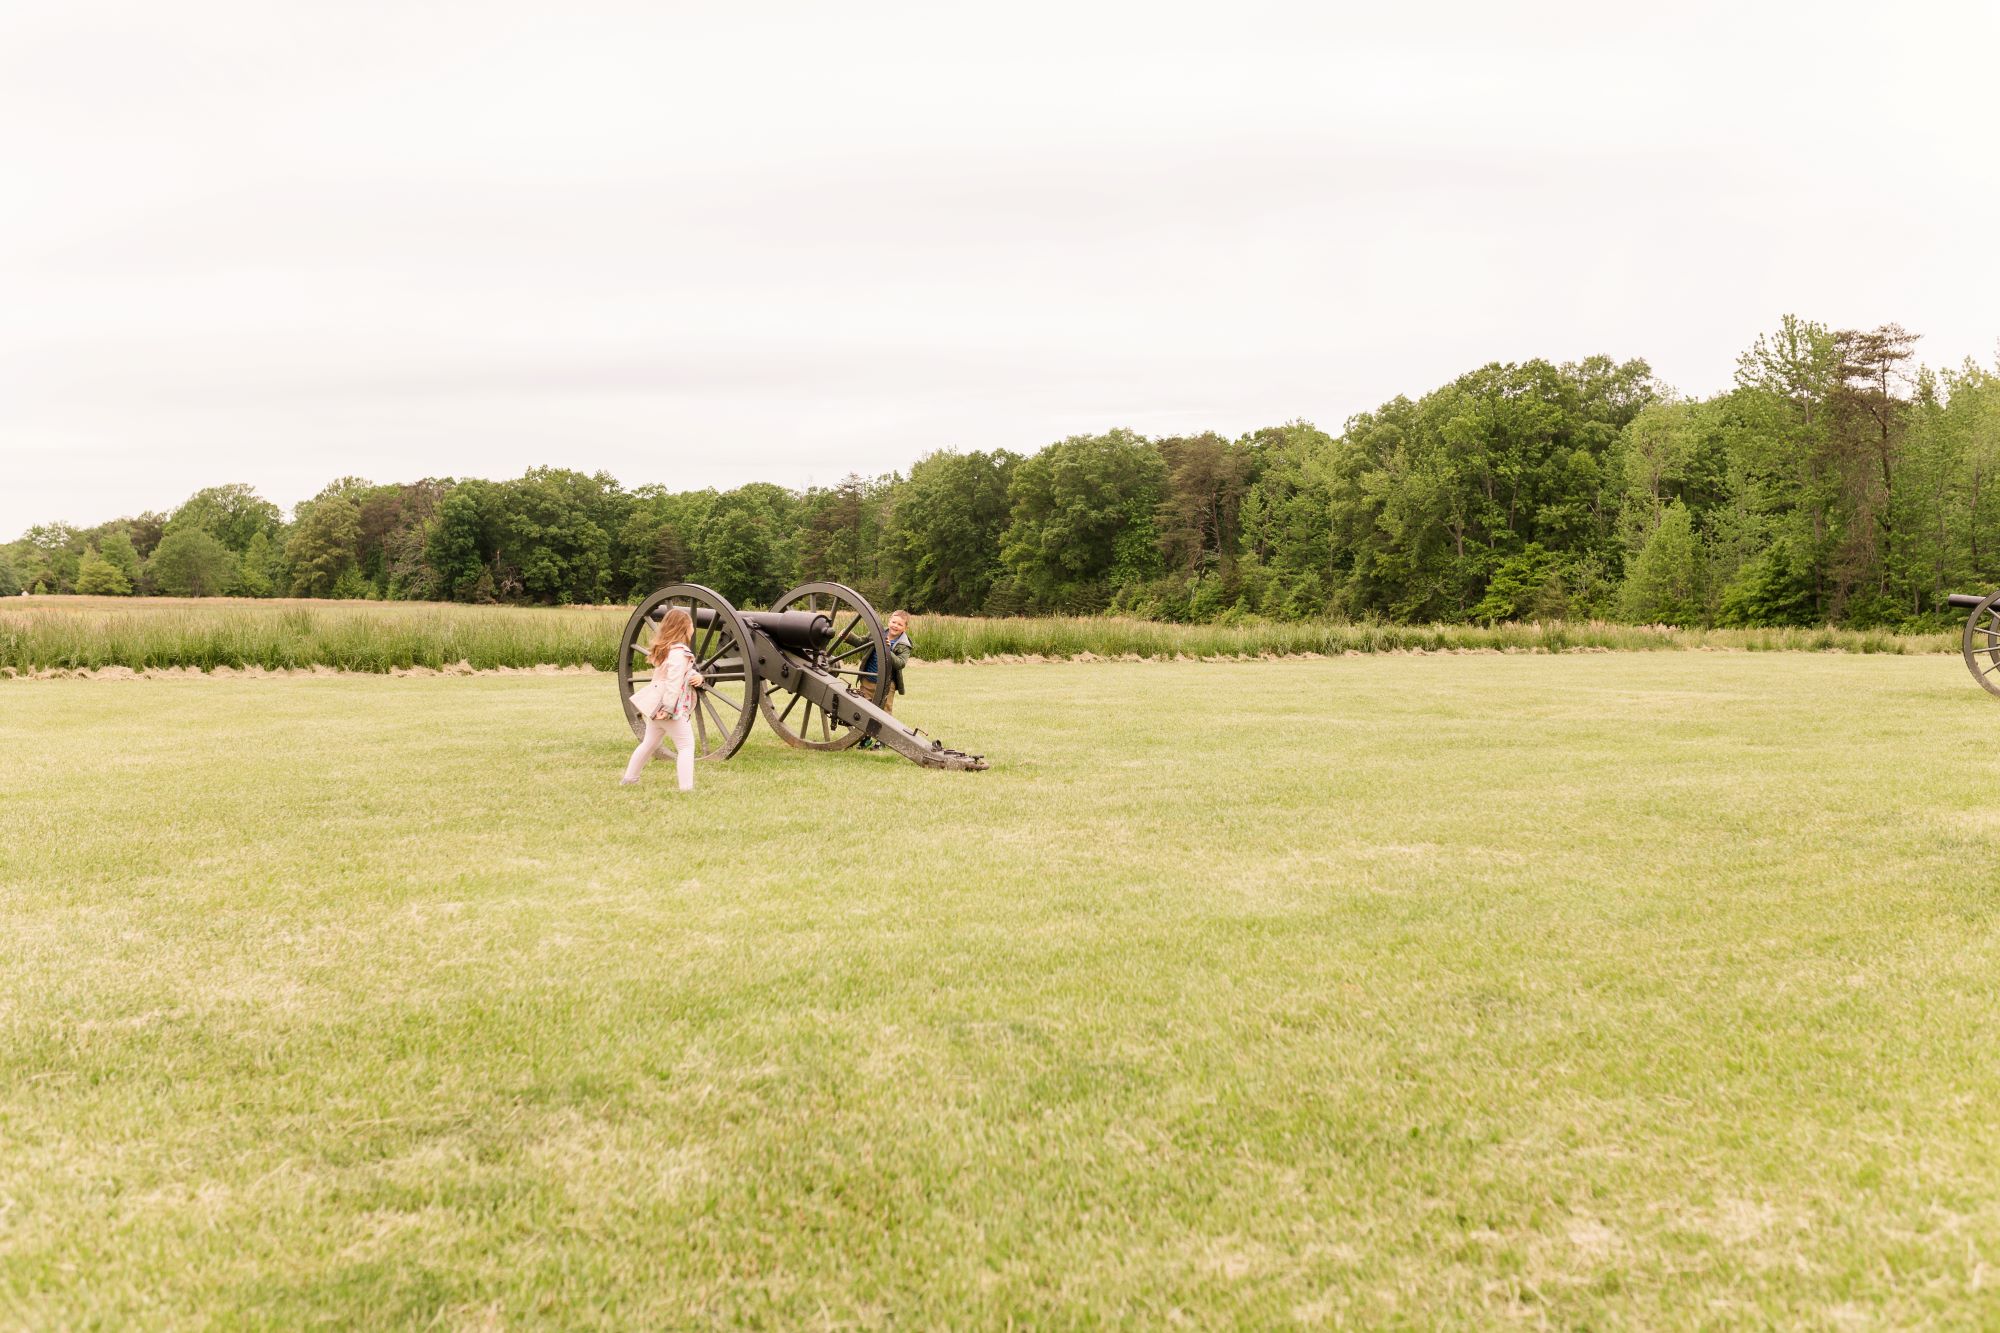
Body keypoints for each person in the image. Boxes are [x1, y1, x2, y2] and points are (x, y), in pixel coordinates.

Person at [622, 607, 703, 789]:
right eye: (690, 624)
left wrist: (698, 677)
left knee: (649, 744)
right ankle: (686, 789)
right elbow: (673, 683)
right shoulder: (680, 652)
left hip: (657, 706)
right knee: (686, 746)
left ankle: (629, 778)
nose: (693, 627)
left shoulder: (668, 650)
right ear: (684, 627)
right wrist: (668, 709)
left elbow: (678, 675)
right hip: (670, 708)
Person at [857, 611, 913, 749]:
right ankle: (865, 739)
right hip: (867, 679)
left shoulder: (904, 645)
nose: (895, 626)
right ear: (889, 622)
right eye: (894, 622)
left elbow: (900, 663)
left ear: (905, 628)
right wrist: (847, 636)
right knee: (864, 709)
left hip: (887, 684)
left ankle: (882, 741)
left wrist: (888, 649)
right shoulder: (878, 633)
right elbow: (862, 642)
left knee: (884, 712)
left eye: (900, 624)